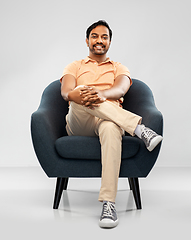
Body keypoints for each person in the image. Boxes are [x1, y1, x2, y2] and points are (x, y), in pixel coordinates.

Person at [60, 20, 163, 228]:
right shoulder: (75, 65)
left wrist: (101, 94)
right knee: (81, 92)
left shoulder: (119, 67)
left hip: (109, 119)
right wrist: (84, 94)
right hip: (79, 120)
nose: (99, 41)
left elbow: (121, 90)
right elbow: (66, 93)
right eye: (95, 36)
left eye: (104, 37)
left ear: (109, 42)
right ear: (87, 40)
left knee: (110, 126)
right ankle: (139, 129)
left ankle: (109, 204)